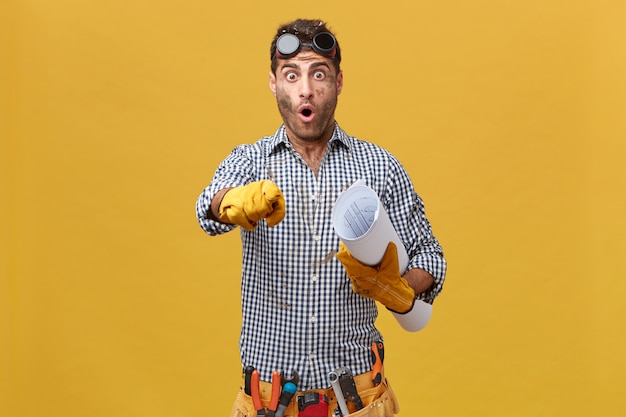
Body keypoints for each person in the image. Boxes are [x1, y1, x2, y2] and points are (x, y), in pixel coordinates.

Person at [196, 18, 446, 417]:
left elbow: (431, 259)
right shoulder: (249, 161)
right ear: (274, 83)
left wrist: (395, 286)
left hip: (359, 402)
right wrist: (234, 201)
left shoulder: (380, 167)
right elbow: (207, 208)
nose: (305, 88)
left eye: (319, 74)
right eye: (291, 75)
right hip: (268, 404)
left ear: (339, 81)